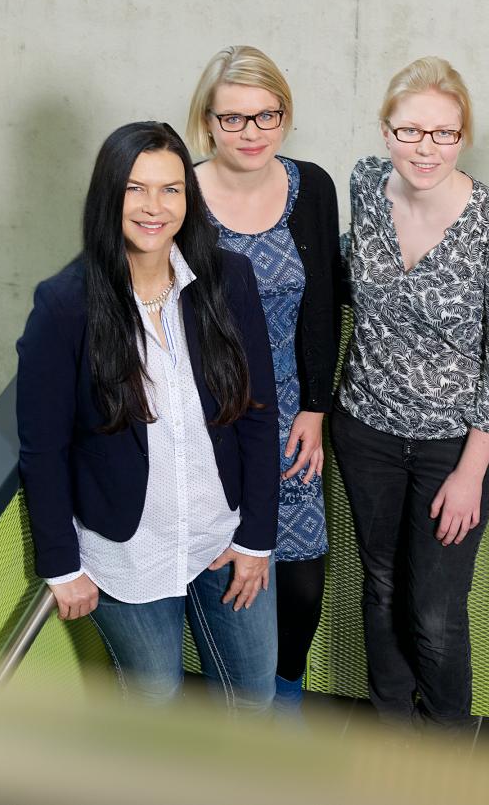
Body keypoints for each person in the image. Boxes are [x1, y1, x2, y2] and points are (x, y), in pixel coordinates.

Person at [16, 120, 280, 712]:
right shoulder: (65, 305)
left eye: (170, 189)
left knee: (252, 698)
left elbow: (260, 414)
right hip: (129, 551)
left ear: (189, 196)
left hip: (224, 534)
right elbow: (43, 449)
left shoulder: (227, 280)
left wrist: (257, 538)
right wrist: (61, 566)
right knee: (154, 705)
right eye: (135, 189)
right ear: (108, 196)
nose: (154, 207)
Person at [331, 56, 489, 729]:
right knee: (382, 584)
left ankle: (448, 742)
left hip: (456, 445)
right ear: (385, 131)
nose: (426, 147)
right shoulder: (364, 185)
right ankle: (392, 728)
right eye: (410, 130)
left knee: (437, 609)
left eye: (443, 133)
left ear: (464, 135)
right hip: (366, 428)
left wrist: (472, 473)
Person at [185, 46, 340, 715]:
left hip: (289, 417)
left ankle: (287, 691)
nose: (251, 132)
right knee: (231, 576)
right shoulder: (179, 193)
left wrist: (316, 406)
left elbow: (324, 302)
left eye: (266, 115)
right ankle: (245, 713)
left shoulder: (312, 187)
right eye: (234, 118)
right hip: (209, 419)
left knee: (301, 582)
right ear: (208, 121)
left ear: (285, 114)